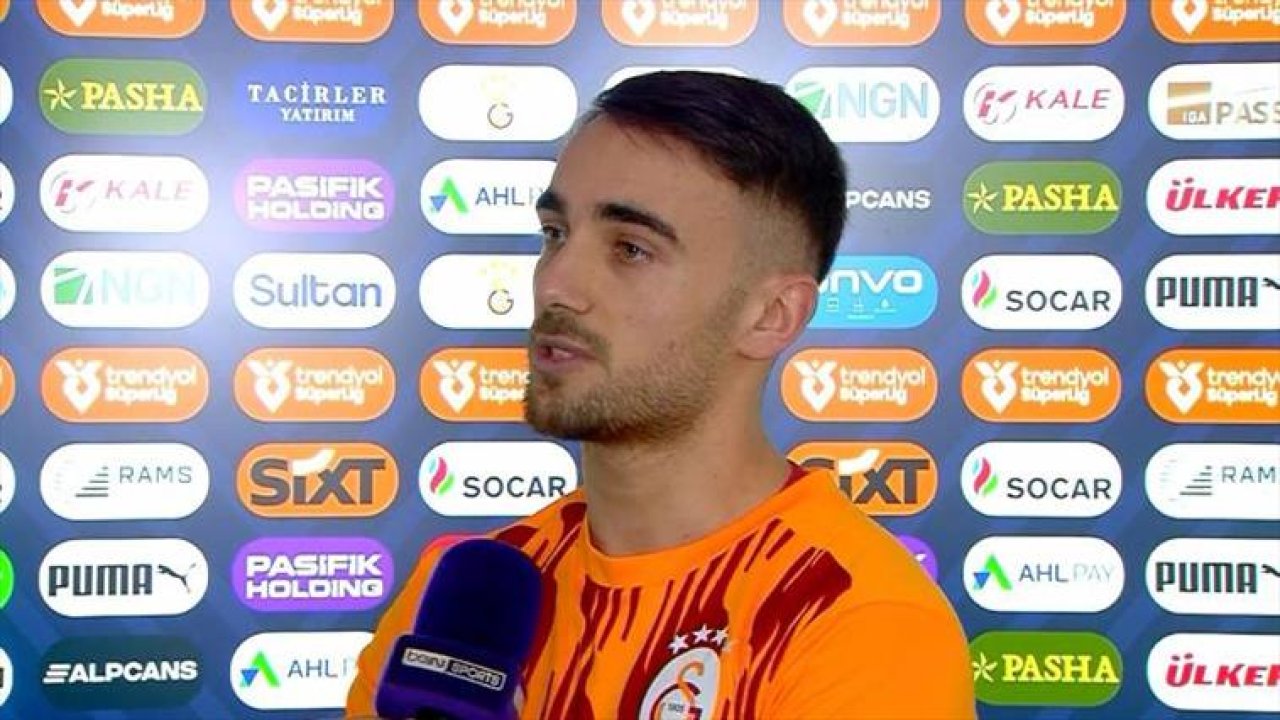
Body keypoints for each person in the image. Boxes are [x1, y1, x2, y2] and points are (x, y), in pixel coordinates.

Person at [347, 70, 975, 719]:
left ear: (771, 316)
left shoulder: (854, 621)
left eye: (630, 249)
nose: (557, 283)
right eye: (556, 233)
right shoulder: (462, 601)